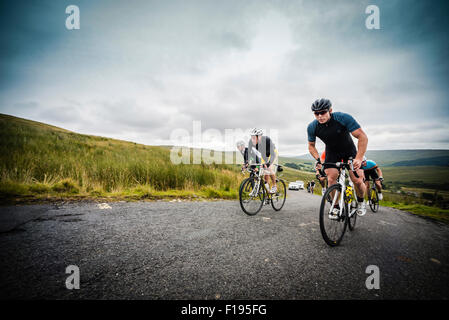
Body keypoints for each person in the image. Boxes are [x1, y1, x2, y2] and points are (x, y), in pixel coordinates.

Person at [307, 98, 369, 215]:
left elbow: (362, 137)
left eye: (323, 112)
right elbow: (311, 146)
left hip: (349, 152)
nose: (320, 116)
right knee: (331, 178)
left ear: (330, 110)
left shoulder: (343, 118)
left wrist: (359, 158)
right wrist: (319, 159)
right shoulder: (312, 127)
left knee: (357, 180)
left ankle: (361, 201)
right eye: (316, 113)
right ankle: (335, 206)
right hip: (332, 152)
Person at [247, 128, 279, 193]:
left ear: (259, 137)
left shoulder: (267, 140)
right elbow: (250, 155)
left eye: (254, 137)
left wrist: (268, 164)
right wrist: (247, 162)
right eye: (251, 137)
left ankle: (274, 186)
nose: (252, 139)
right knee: (264, 173)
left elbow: (273, 155)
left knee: (269, 168)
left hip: (272, 154)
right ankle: (266, 190)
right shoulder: (250, 142)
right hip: (264, 156)